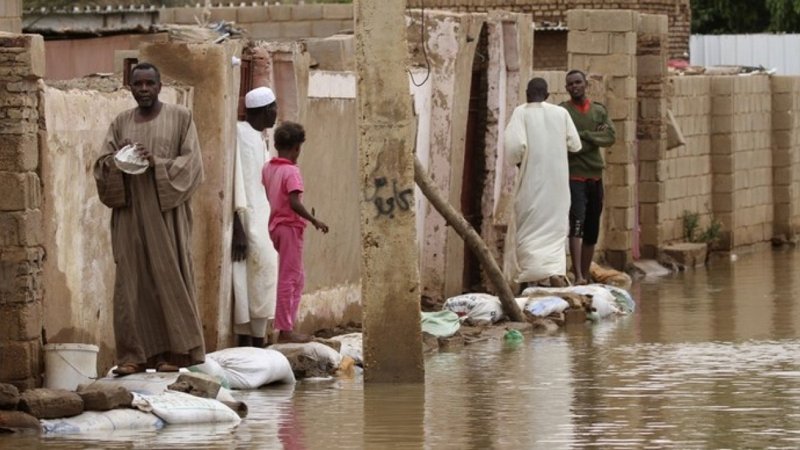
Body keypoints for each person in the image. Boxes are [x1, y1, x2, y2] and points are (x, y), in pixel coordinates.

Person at [93, 62, 205, 376]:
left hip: (166, 213)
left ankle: (177, 352)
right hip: (129, 214)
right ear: (129, 87)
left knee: (170, 278)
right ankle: (133, 356)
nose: (143, 89)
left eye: (149, 84)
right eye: (137, 84)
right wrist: (119, 160)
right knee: (131, 282)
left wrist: (157, 163)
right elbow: (102, 165)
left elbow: (192, 164)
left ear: (159, 86)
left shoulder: (181, 118)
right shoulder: (120, 123)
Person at [504, 77, 582, 289]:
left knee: (529, 230)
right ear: (547, 96)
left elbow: (513, 149)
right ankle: (555, 273)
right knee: (555, 230)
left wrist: (522, 162)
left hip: (531, 182)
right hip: (557, 185)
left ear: (527, 94)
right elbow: (575, 145)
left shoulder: (521, 112)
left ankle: (530, 279)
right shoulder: (561, 113)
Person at [262, 121, 329, 343]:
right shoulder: (291, 172)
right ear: (297, 148)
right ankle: (285, 330)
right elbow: (293, 201)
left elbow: (272, 194)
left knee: (298, 278)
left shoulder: (269, 168)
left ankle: (288, 324)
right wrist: (314, 220)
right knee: (289, 279)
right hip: (290, 227)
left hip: (276, 226)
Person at [232, 87, 280, 348]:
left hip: (264, 219)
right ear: (264, 111)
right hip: (247, 216)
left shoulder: (262, 138)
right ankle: (249, 343)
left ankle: (259, 339)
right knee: (247, 278)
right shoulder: (240, 134)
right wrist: (239, 223)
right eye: (274, 109)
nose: (276, 114)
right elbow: (237, 179)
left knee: (263, 277)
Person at [560, 70, 616, 285]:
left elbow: (610, 137)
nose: (575, 86)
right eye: (571, 84)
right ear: (567, 88)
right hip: (575, 177)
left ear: (586, 85)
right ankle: (578, 276)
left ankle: (585, 275)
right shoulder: (563, 112)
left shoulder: (598, 111)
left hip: (595, 177)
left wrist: (584, 136)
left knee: (592, 226)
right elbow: (568, 146)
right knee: (576, 224)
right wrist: (593, 139)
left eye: (578, 82)